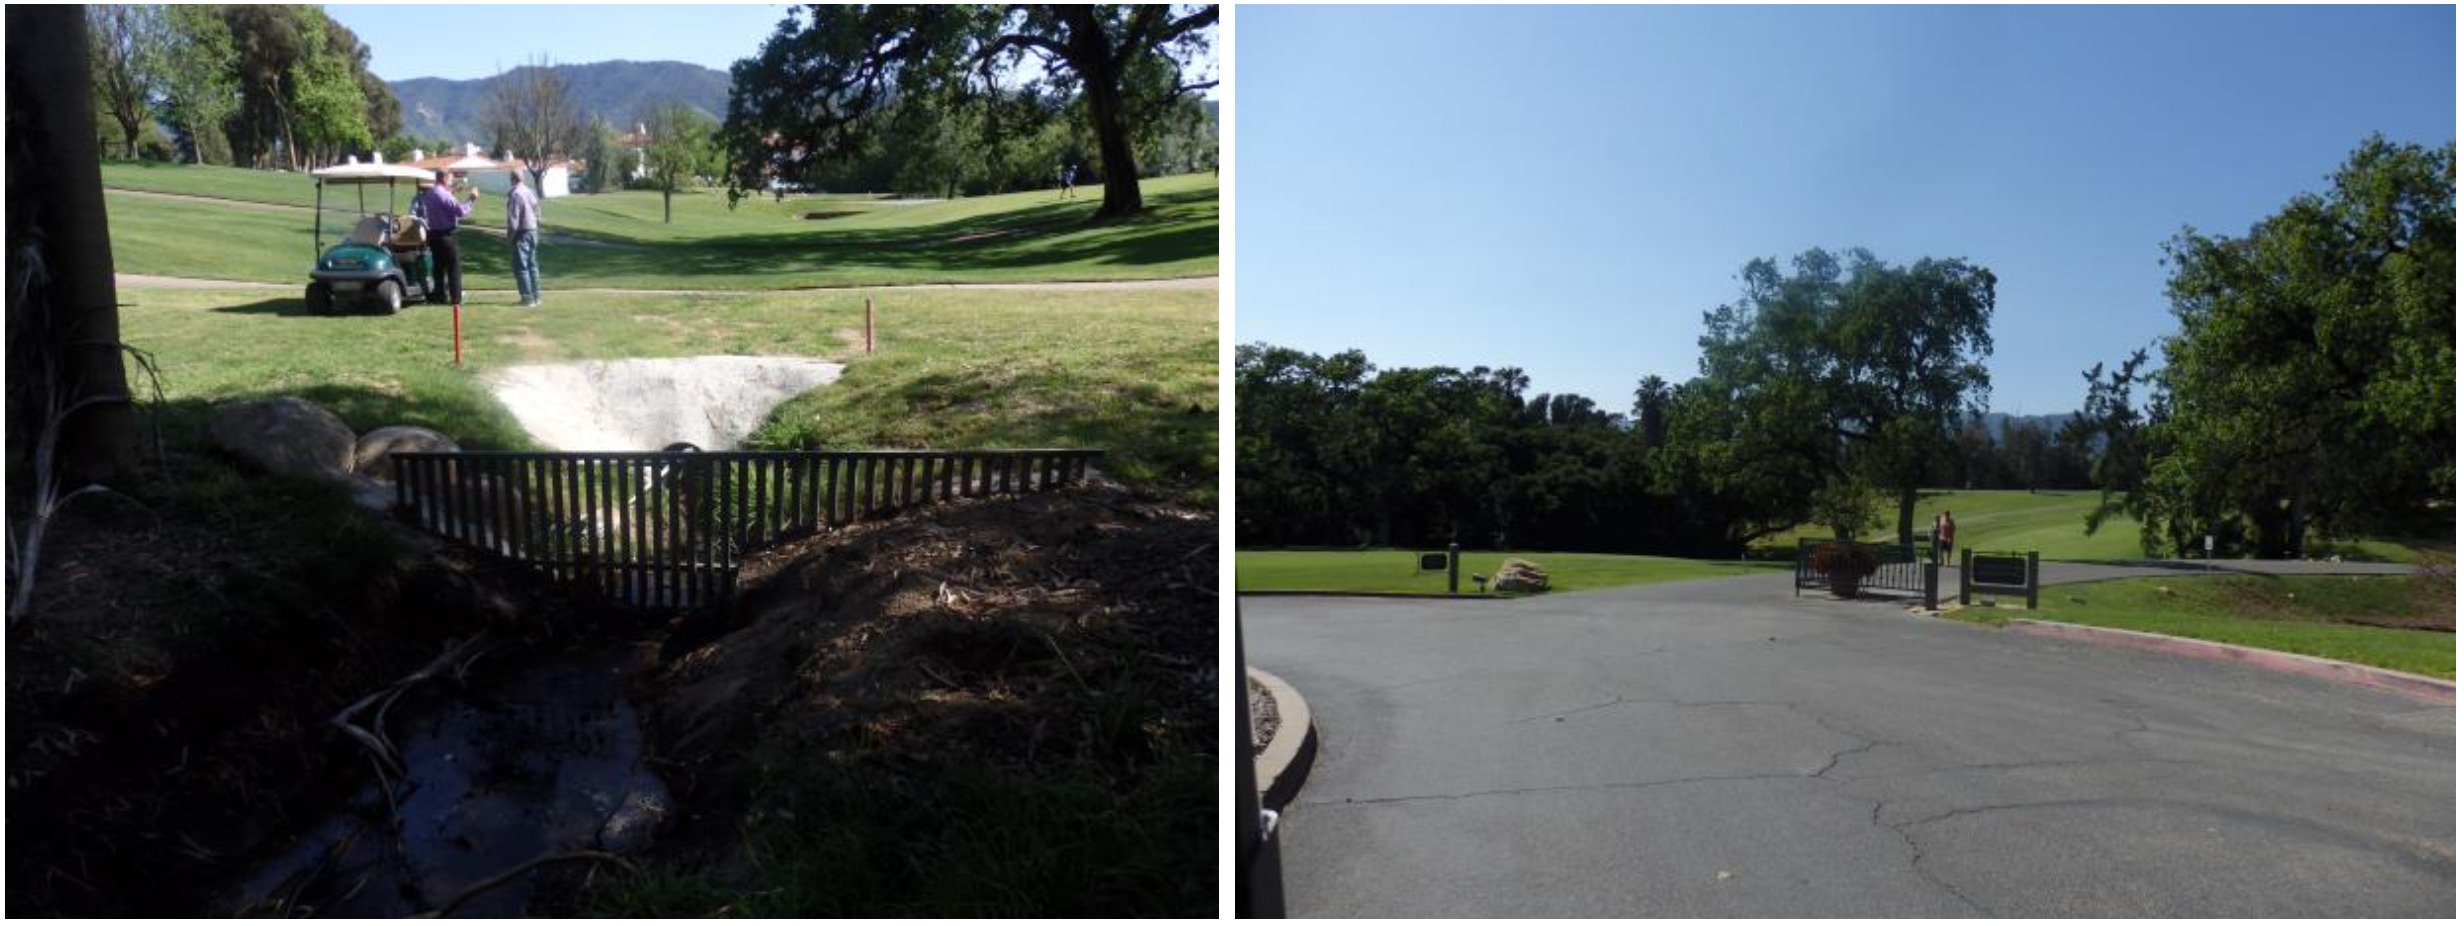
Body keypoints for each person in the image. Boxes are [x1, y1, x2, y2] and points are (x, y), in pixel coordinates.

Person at [418, 169, 475, 305]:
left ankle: (440, 296)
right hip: (447, 234)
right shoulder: (442, 194)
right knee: (453, 267)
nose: (452, 181)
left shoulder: (432, 192)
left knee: (438, 268)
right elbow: (460, 211)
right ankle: (456, 299)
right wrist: (471, 199)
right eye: (450, 178)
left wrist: (453, 192)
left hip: (434, 234)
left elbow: (444, 200)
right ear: (444, 178)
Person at [506, 170, 542, 307]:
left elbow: (513, 220)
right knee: (532, 265)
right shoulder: (530, 191)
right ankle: (537, 296)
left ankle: (527, 298)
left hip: (521, 232)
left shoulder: (515, 194)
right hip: (533, 230)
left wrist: (509, 238)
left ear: (512, 179)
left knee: (521, 267)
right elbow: (538, 212)